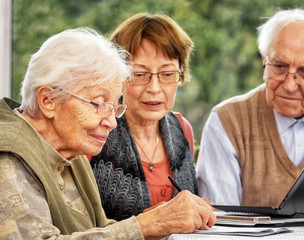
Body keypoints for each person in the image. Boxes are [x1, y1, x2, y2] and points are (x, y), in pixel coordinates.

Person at [0, 28, 215, 239]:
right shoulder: (8, 157)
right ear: (48, 101)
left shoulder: (70, 149)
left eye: (114, 106)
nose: (112, 122)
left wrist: (157, 223)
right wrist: (147, 225)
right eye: (99, 103)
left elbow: (99, 229)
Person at [196, 8, 304, 207]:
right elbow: (220, 225)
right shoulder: (227, 122)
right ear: (265, 60)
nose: (289, 86)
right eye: (279, 67)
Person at [91, 13, 199, 221]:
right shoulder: (97, 130)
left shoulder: (182, 129)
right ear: (118, 76)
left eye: (167, 74)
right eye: (139, 75)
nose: (155, 88)